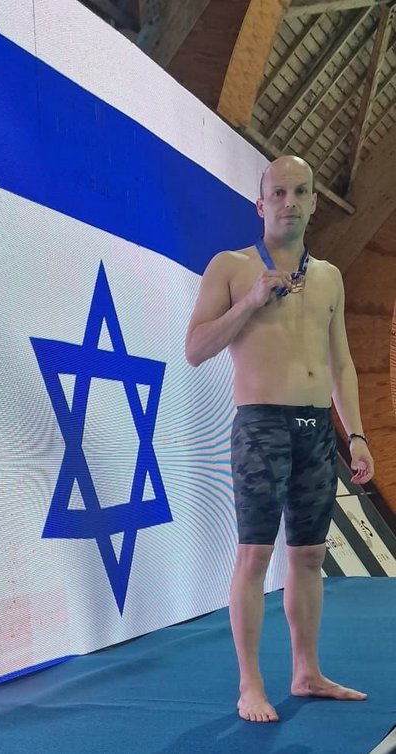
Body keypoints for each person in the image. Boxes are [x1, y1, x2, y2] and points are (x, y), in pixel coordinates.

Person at [184, 155, 375, 723]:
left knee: (310, 555)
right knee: (254, 555)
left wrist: (357, 435)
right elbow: (194, 349)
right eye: (279, 193)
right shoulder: (231, 266)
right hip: (261, 425)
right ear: (260, 204)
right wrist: (249, 302)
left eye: (301, 192)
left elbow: (341, 364)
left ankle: (306, 671)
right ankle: (250, 685)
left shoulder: (330, 277)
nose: (290, 202)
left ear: (314, 202)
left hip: (317, 431)